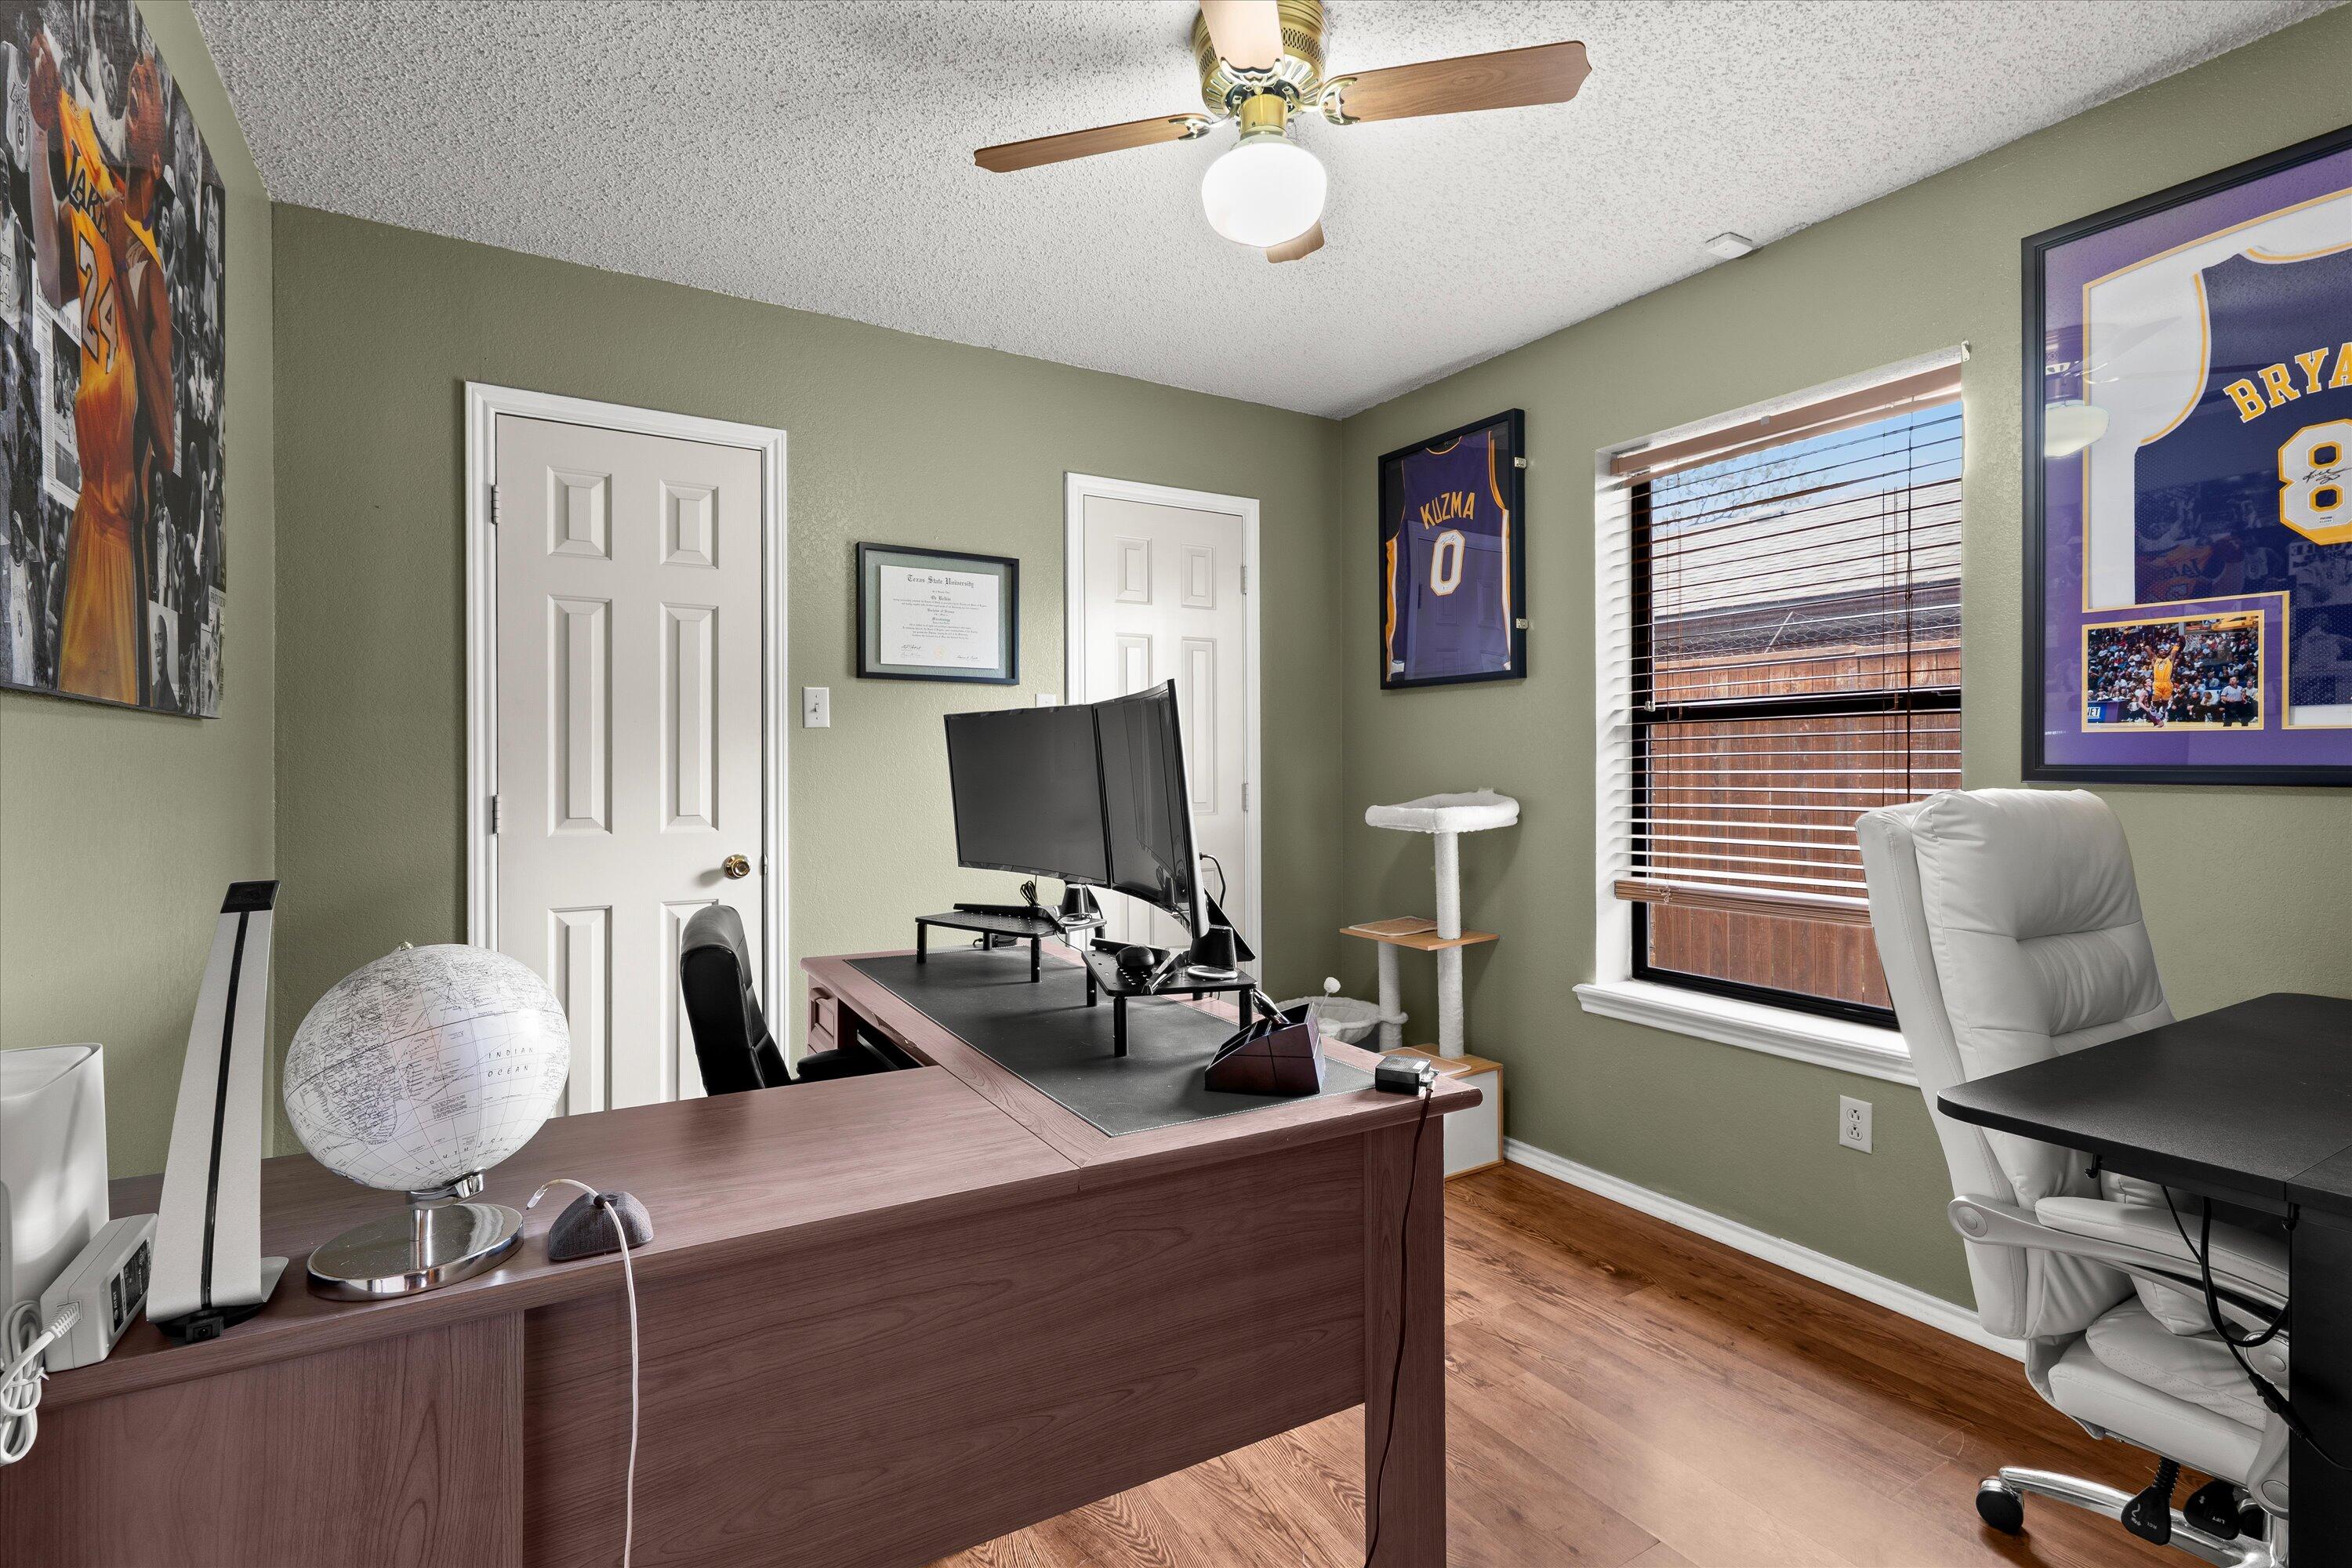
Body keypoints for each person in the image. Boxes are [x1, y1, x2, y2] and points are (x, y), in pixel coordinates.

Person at [30, 12, 176, 706]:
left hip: (122, 540)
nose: (138, 85)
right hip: (88, 522)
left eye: (152, 87)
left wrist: (119, 265)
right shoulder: (98, 205)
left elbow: (171, 445)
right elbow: (52, 279)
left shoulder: (149, 271)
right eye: (136, 81)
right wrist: (37, 132)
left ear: (164, 138)